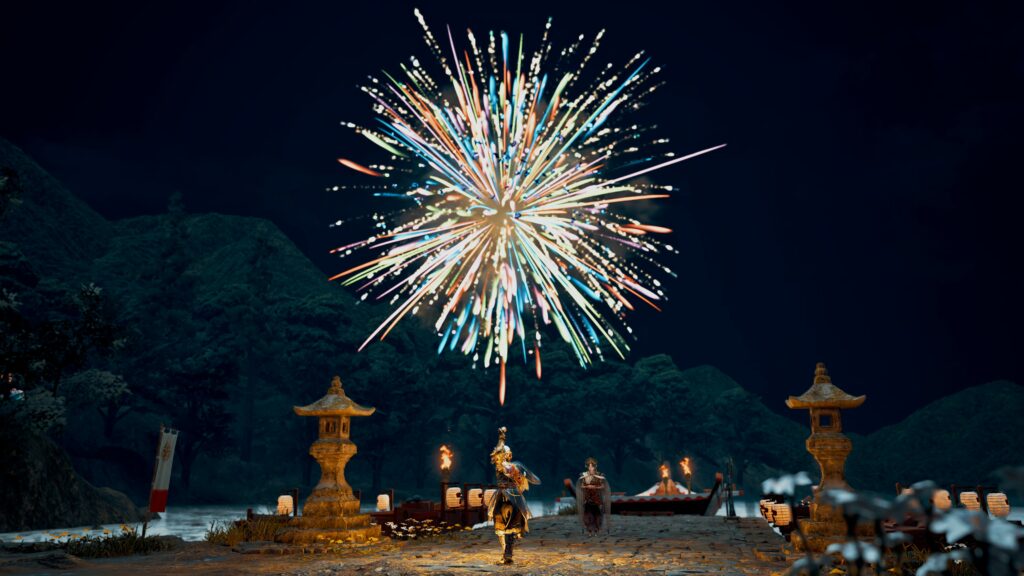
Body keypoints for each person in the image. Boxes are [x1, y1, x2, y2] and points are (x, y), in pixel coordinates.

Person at [487, 427, 540, 565]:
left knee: (506, 526)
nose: (503, 455)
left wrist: (502, 437)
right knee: (504, 526)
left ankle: (507, 552)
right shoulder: (503, 466)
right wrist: (501, 438)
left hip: (509, 495)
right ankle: (507, 552)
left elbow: (531, 478)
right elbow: (532, 479)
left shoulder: (513, 466)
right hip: (507, 495)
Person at [576, 457, 611, 535]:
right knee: (587, 513)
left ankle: (597, 529)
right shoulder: (584, 475)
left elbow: (603, 486)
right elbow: (581, 486)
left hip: (597, 497)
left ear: (595, 466)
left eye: (592, 466)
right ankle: (589, 529)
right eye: (589, 466)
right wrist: (587, 487)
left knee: (597, 514)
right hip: (588, 496)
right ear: (587, 466)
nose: (590, 468)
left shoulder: (600, 475)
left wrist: (595, 487)